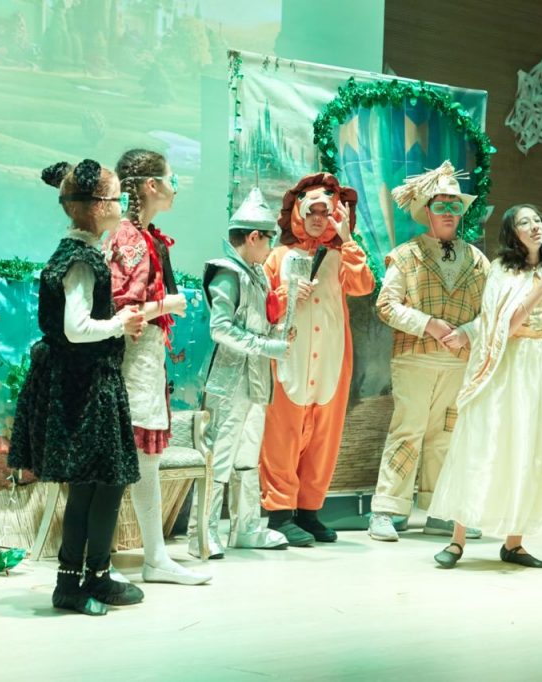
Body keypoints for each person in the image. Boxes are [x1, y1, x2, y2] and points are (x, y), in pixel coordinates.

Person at [427, 203, 542, 569]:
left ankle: (514, 543)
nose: (534, 226)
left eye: (537, 220)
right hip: (507, 366)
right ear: (513, 233)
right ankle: (458, 541)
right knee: (486, 444)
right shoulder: (502, 271)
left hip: (541, 367)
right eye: (525, 222)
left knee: (531, 448)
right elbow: (503, 326)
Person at [8, 159, 146, 615]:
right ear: (97, 206)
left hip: (84, 381)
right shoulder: (81, 260)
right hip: (85, 386)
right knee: (99, 483)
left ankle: (91, 577)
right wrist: (121, 322)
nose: (121, 205)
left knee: (96, 484)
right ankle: (76, 581)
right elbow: (76, 327)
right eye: (116, 198)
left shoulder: (76, 252)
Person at [367, 161, 489, 542]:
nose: (449, 213)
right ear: (427, 211)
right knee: (408, 428)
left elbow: (492, 312)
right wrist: (428, 324)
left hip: (457, 362)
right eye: (441, 205)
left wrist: (467, 333)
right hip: (415, 357)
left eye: (455, 205)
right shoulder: (406, 256)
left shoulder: (478, 261)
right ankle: (387, 508)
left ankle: (439, 509)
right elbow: (386, 305)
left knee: (445, 434)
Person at [107, 148, 209, 585]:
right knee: (133, 457)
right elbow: (122, 307)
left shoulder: (144, 236)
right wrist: (168, 303)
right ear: (151, 185)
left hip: (146, 356)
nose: (175, 188)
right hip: (131, 357)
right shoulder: (130, 238)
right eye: (171, 179)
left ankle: (153, 555)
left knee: (143, 458)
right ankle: (137, 557)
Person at [259, 173, 375, 545]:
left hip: (331, 362)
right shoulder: (278, 257)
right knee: (282, 437)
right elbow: (261, 309)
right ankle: (279, 514)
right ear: (297, 212)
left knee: (324, 439)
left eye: (326, 213)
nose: (318, 219)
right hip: (288, 360)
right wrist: (287, 294)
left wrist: (348, 239)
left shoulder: (341, 257)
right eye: (311, 212)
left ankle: (309, 512)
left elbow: (363, 286)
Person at [187, 187, 290, 558]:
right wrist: (266, 346)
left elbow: (257, 322)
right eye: (269, 239)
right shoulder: (228, 273)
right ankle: (202, 533)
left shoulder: (256, 274)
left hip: (255, 380)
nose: (270, 247)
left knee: (247, 457)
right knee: (219, 456)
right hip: (229, 381)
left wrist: (277, 335)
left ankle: (246, 527)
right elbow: (220, 329)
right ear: (253, 237)